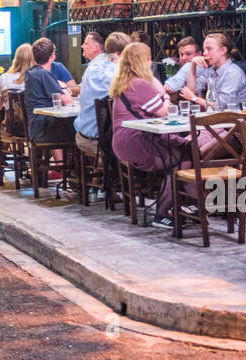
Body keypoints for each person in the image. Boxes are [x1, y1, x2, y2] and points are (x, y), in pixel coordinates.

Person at [109, 42, 189, 222]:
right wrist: (167, 98)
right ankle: (163, 213)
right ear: (143, 61)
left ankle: (174, 208)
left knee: (184, 149)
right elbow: (165, 112)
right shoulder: (140, 84)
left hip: (123, 142)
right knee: (184, 159)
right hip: (137, 142)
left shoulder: (125, 82)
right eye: (148, 58)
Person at [73, 31, 129, 162]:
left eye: (85, 43)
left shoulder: (93, 68)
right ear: (118, 55)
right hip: (102, 141)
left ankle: (93, 176)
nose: (82, 46)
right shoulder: (115, 72)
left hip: (87, 135)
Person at [181, 32, 246, 113]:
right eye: (204, 50)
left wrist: (194, 98)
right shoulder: (211, 71)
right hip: (216, 119)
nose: (204, 53)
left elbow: (221, 106)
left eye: (209, 49)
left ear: (223, 50)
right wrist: (193, 65)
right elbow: (191, 90)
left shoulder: (233, 73)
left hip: (236, 120)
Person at [24, 37, 75, 146]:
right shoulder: (45, 75)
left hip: (35, 128)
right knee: (80, 129)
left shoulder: (30, 72)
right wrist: (63, 88)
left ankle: (60, 163)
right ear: (52, 56)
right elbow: (68, 101)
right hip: (44, 131)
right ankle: (79, 163)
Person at [0, 43, 34, 112]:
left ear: (16, 59)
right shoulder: (37, 78)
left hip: (11, 120)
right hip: (33, 120)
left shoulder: (4, 78)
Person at [162, 36, 201, 102]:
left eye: (188, 54)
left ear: (199, 54)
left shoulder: (189, 65)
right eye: (181, 54)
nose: (183, 58)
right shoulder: (182, 69)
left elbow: (168, 88)